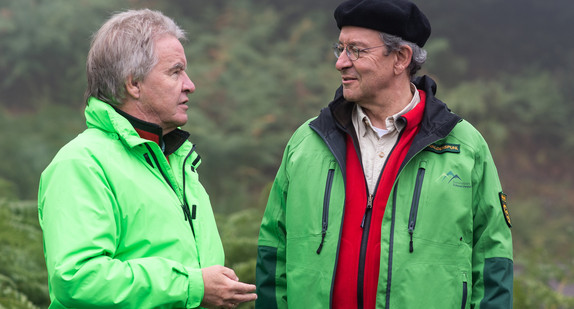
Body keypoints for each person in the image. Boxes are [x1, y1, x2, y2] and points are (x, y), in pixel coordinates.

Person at [255, 0, 513, 308]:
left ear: (401, 57)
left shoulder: (465, 147)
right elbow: (273, 252)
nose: (341, 62)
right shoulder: (306, 142)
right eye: (340, 49)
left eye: (357, 50)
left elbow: (493, 259)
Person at [38, 9, 256, 309]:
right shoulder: (81, 164)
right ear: (134, 84)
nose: (190, 84)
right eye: (175, 71)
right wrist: (192, 286)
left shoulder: (178, 162)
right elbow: (78, 278)